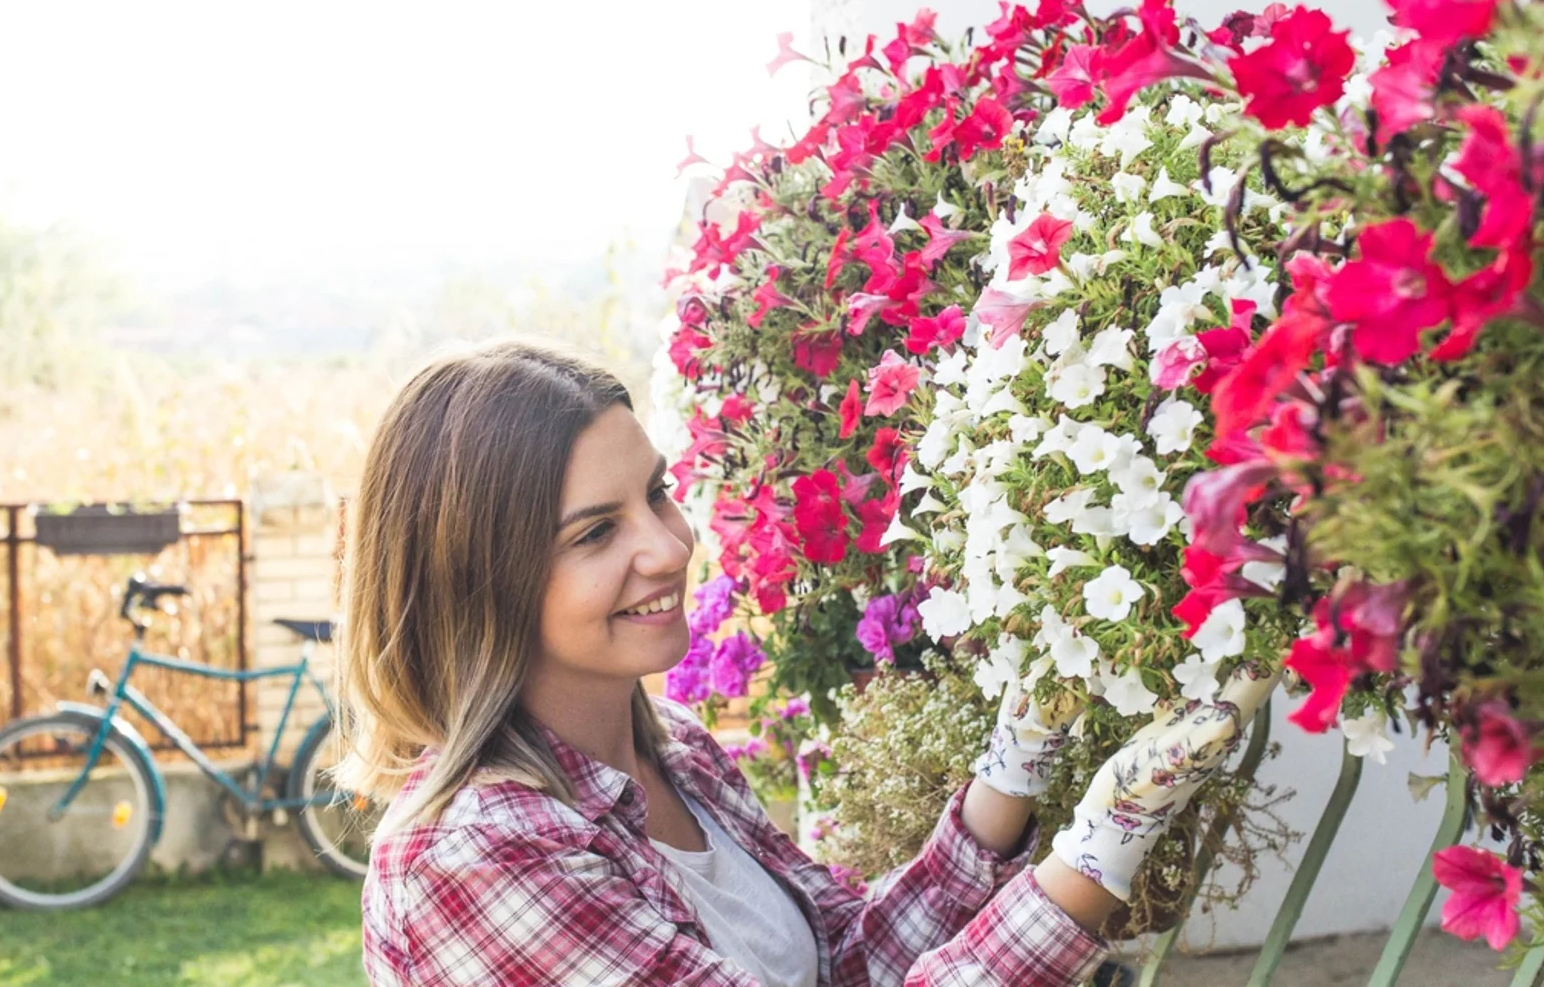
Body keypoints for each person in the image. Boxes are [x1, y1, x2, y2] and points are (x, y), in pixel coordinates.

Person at [338, 339, 1276, 987]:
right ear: (478, 581)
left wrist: (1018, 756)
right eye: (595, 532)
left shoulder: (683, 762)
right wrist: (1102, 843)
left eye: (657, 494)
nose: (668, 546)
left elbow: (848, 961)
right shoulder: (473, 857)